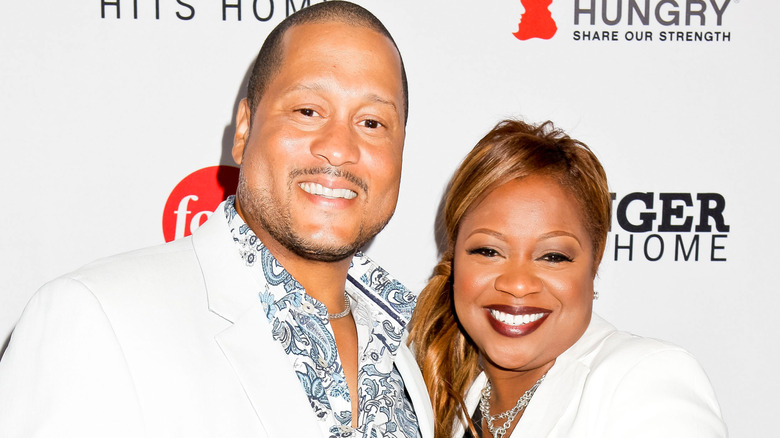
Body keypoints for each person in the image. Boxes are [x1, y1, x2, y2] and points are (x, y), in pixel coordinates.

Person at [0, 2, 433, 437]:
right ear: (243, 130)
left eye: (372, 122)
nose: (339, 148)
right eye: (308, 111)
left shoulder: (403, 363)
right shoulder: (96, 319)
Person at [407, 119, 727, 438]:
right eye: (489, 251)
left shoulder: (644, 381)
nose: (517, 284)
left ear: (595, 261)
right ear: (455, 257)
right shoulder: (447, 403)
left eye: (553, 256)